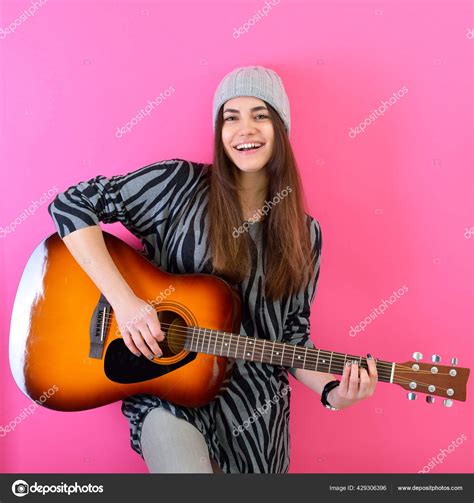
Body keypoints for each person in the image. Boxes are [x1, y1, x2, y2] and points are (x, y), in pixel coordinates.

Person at [48, 65, 378, 474]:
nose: (245, 130)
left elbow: (293, 337)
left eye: (260, 115)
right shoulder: (177, 185)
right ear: (219, 132)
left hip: (257, 410)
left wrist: (333, 393)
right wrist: (126, 303)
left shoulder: (305, 234)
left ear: (281, 128)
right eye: (231, 117)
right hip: (169, 392)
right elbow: (70, 205)